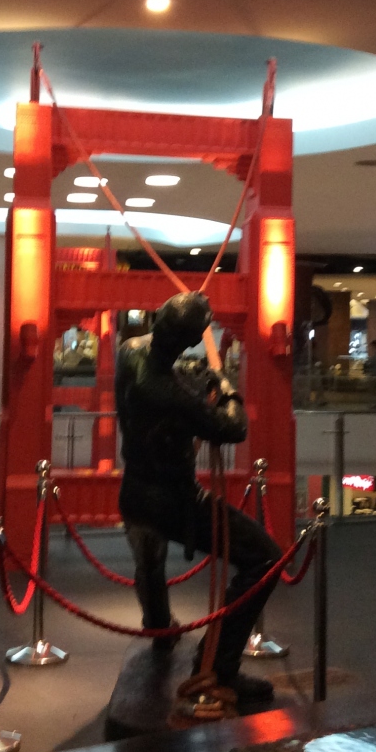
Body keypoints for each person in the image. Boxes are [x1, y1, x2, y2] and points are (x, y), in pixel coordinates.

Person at [115, 291, 281, 704]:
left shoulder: (129, 351)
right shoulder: (170, 394)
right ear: (191, 341)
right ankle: (219, 668)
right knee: (264, 558)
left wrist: (190, 378)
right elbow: (234, 427)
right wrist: (224, 386)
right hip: (173, 500)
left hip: (135, 489)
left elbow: (167, 376)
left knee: (150, 563)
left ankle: (160, 629)